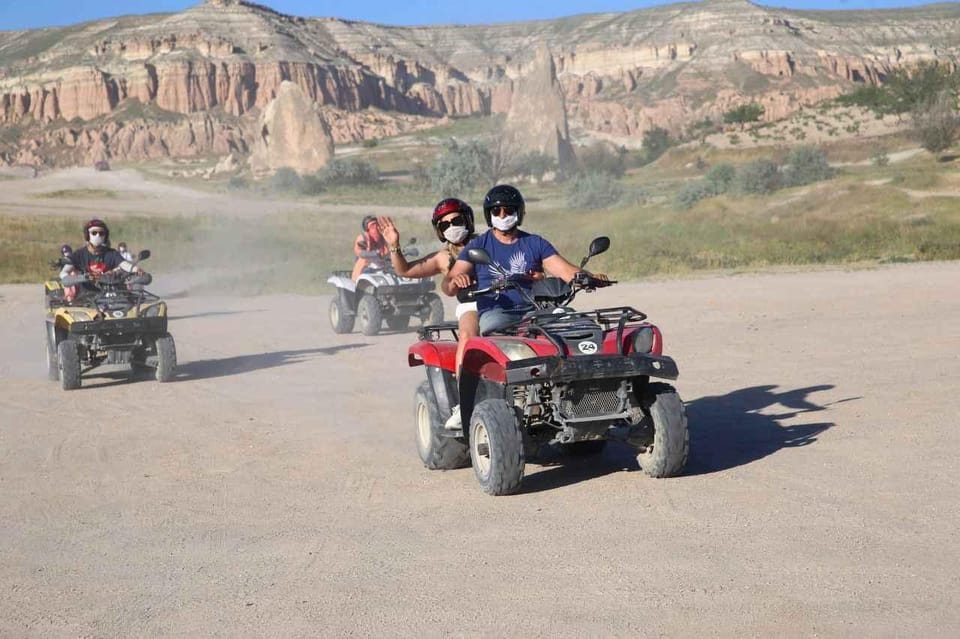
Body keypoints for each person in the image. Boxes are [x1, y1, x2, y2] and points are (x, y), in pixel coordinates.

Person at [442, 184, 606, 337]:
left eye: (508, 210)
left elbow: (565, 271)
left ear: (518, 213)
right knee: (496, 335)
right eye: (496, 211)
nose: (502, 215)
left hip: (535, 310)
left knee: (581, 326)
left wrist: (591, 278)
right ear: (489, 215)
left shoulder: (535, 243)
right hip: (497, 312)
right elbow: (448, 285)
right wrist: (456, 280)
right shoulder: (478, 246)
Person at [378, 198, 481, 396]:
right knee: (467, 338)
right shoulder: (443, 258)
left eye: (457, 221)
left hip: (501, 301)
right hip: (471, 305)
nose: (452, 227)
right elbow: (405, 270)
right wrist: (394, 245)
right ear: (440, 231)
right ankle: (464, 398)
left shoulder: (488, 242)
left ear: (468, 220)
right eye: (445, 224)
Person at [60, 219, 143, 302]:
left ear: (105, 236)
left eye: (101, 233)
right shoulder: (78, 254)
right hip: (87, 299)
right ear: (87, 235)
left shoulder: (112, 253)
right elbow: (64, 273)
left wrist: (136, 269)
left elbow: (124, 264)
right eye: (94, 233)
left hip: (114, 297)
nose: (98, 235)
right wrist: (81, 278)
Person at [351, 215, 389, 281]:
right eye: (372, 226)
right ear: (367, 228)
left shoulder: (383, 238)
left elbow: (388, 250)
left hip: (381, 264)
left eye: (377, 225)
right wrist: (375, 253)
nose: (376, 227)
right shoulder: (363, 238)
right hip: (366, 266)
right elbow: (359, 252)